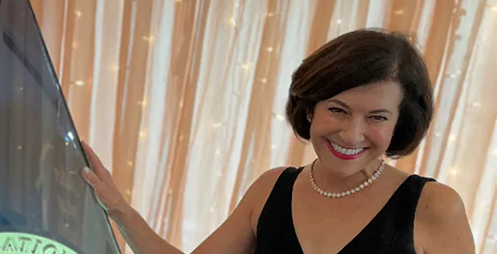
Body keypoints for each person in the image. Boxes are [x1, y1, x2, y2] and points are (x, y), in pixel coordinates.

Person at [81, 29, 475, 253]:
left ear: (399, 124)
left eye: (377, 117)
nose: (352, 134)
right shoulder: (272, 188)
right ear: (309, 109)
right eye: (337, 110)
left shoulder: (434, 206)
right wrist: (119, 209)